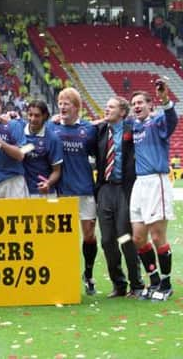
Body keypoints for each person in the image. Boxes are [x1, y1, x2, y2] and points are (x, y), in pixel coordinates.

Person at [129, 81, 178, 301]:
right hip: (139, 184)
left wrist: (164, 98)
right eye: (133, 103)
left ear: (150, 105)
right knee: (139, 237)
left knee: (158, 236)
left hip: (156, 182)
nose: (136, 106)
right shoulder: (134, 125)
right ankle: (154, 280)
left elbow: (172, 119)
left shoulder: (158, 122)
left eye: (140, 102)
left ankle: (166, 284)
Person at [49, 87, 98, 295]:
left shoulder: (89, 129)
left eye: (66, 103)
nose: (62, 106)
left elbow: (98, 152)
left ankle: (88, 274)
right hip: (61, 191)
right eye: (60, 102)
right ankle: (63, 276)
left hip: (85, 189)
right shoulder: (51, 129)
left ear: (77, 107)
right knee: (63, 237)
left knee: (89, 236)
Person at [93, 96, 144, 298]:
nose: (107, 110)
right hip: (105, 188)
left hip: (125, 188)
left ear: (122, 112)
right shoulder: (100, 130)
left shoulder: (133, 129)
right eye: (106, 107)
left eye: (111, 107)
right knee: (107, 240)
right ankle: (119, 284)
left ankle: (137, 283)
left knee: (125, 236)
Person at [18, 100, 63, 197]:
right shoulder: (19, 132)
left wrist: (48, 183)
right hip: (22, 191)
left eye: (37, 115)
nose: (33, 119)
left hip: (46, 192)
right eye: (30, 115)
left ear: (45, 116)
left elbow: (57, 171)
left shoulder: (53, 139)